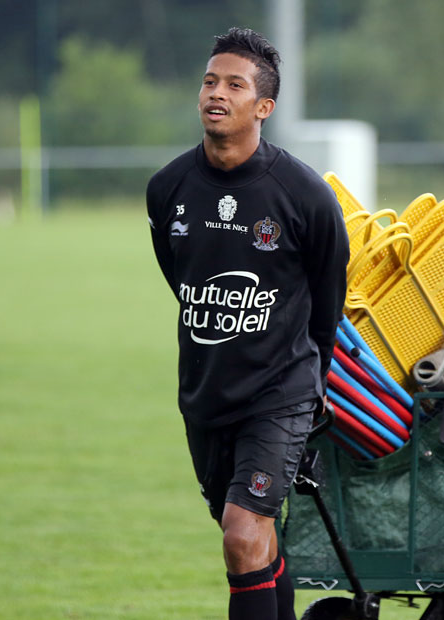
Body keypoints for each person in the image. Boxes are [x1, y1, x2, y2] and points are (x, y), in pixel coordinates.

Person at [146, 27, 349, 620]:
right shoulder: (167, 188)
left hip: (278, 395)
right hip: (205, 394)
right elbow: (181, 279)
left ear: (264, 107)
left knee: (242, 534)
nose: (217, 93)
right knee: (253, 539)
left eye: (235, 85)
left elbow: (327, 300)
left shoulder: (305, 196)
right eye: (210, 81)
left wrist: (310, 384)